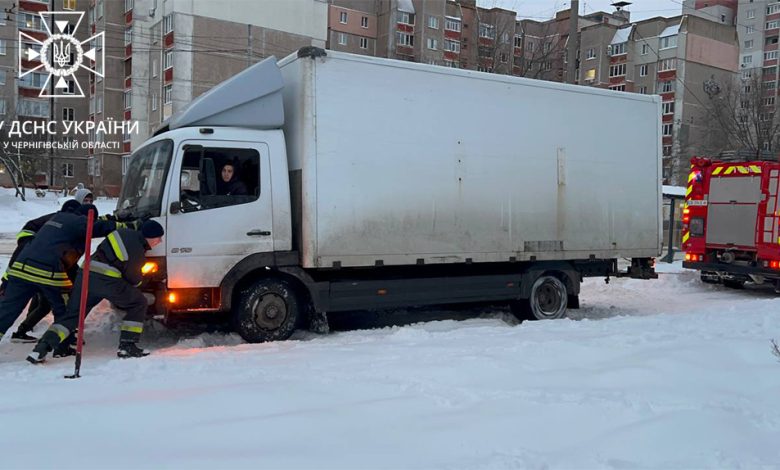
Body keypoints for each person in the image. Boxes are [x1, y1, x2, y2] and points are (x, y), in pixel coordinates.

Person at [28, 220, 165, 362]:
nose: (160, 241)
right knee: (138, 302)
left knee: (72, 316)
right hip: (107, 280)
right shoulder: (137, 249)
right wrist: (148, 278)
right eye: (158, 237)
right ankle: (127, 346)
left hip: (85, 275)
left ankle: (41, 349)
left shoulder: (122, 233)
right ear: (149, 236)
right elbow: (134, 280)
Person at [0, 204, 120, 345]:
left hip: (21, 271)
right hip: (48, 272)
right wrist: (133, 225)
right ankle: (63, 345)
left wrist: (6, 280)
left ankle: (25, 330)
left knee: (7, 311)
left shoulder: (58, 221)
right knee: (64, 310)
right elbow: (102, 227)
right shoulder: (79, 222)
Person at [0, 200, 82, 343]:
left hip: (39, 274)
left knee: (41, 304)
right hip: (43, 275)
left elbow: (69, 263)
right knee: (52, 306)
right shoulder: (52, 226)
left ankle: (23, 331)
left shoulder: (65, 227)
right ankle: (61, 340)